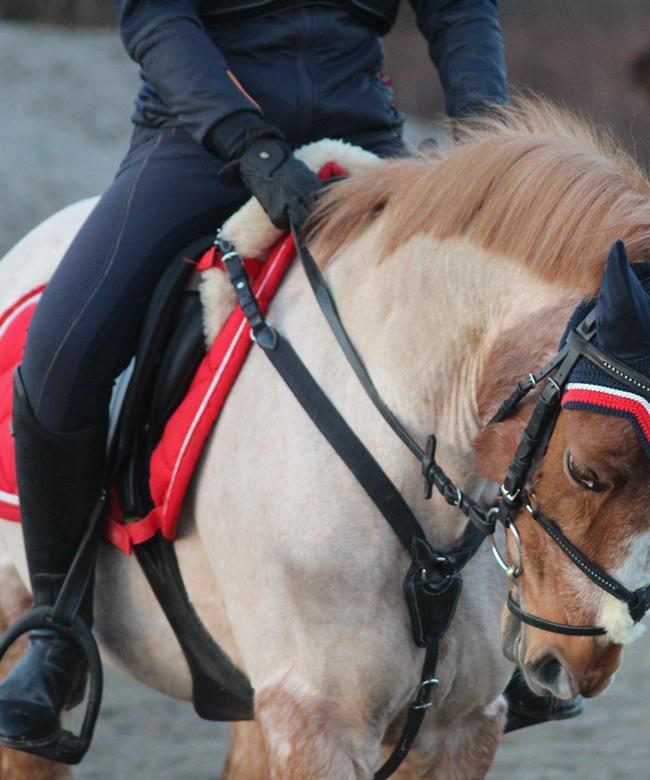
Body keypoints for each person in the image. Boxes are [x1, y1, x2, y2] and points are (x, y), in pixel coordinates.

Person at [0, 0, 576, 757]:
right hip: (196, 143)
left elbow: (460, 10)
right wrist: (248, 142)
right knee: (58, 354)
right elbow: (157, 19)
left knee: (499, 341)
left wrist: (486, 147)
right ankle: (58, 628)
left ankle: (513, 630)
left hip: (362, 132)